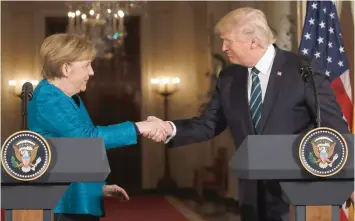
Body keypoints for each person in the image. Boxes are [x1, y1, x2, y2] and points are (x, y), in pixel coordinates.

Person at [143, 7, 351, 221]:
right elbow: (209, 123)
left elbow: (333, 125)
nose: (223, 47)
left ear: (253, 41)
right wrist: (169, 128)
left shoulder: (301, 69)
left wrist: (347, 179)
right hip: (251, 193)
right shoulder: (229, 77)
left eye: (228, 41)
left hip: (297, 190)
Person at [28, 33, 168, 221]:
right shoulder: (48, 99)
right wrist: (140, 127)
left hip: (73, 199)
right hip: (62, 204)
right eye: (86, 65)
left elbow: (76, 151)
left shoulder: (67, 97)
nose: (92, 72)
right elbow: (88, 139)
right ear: (65, 68)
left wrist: (98, 186)